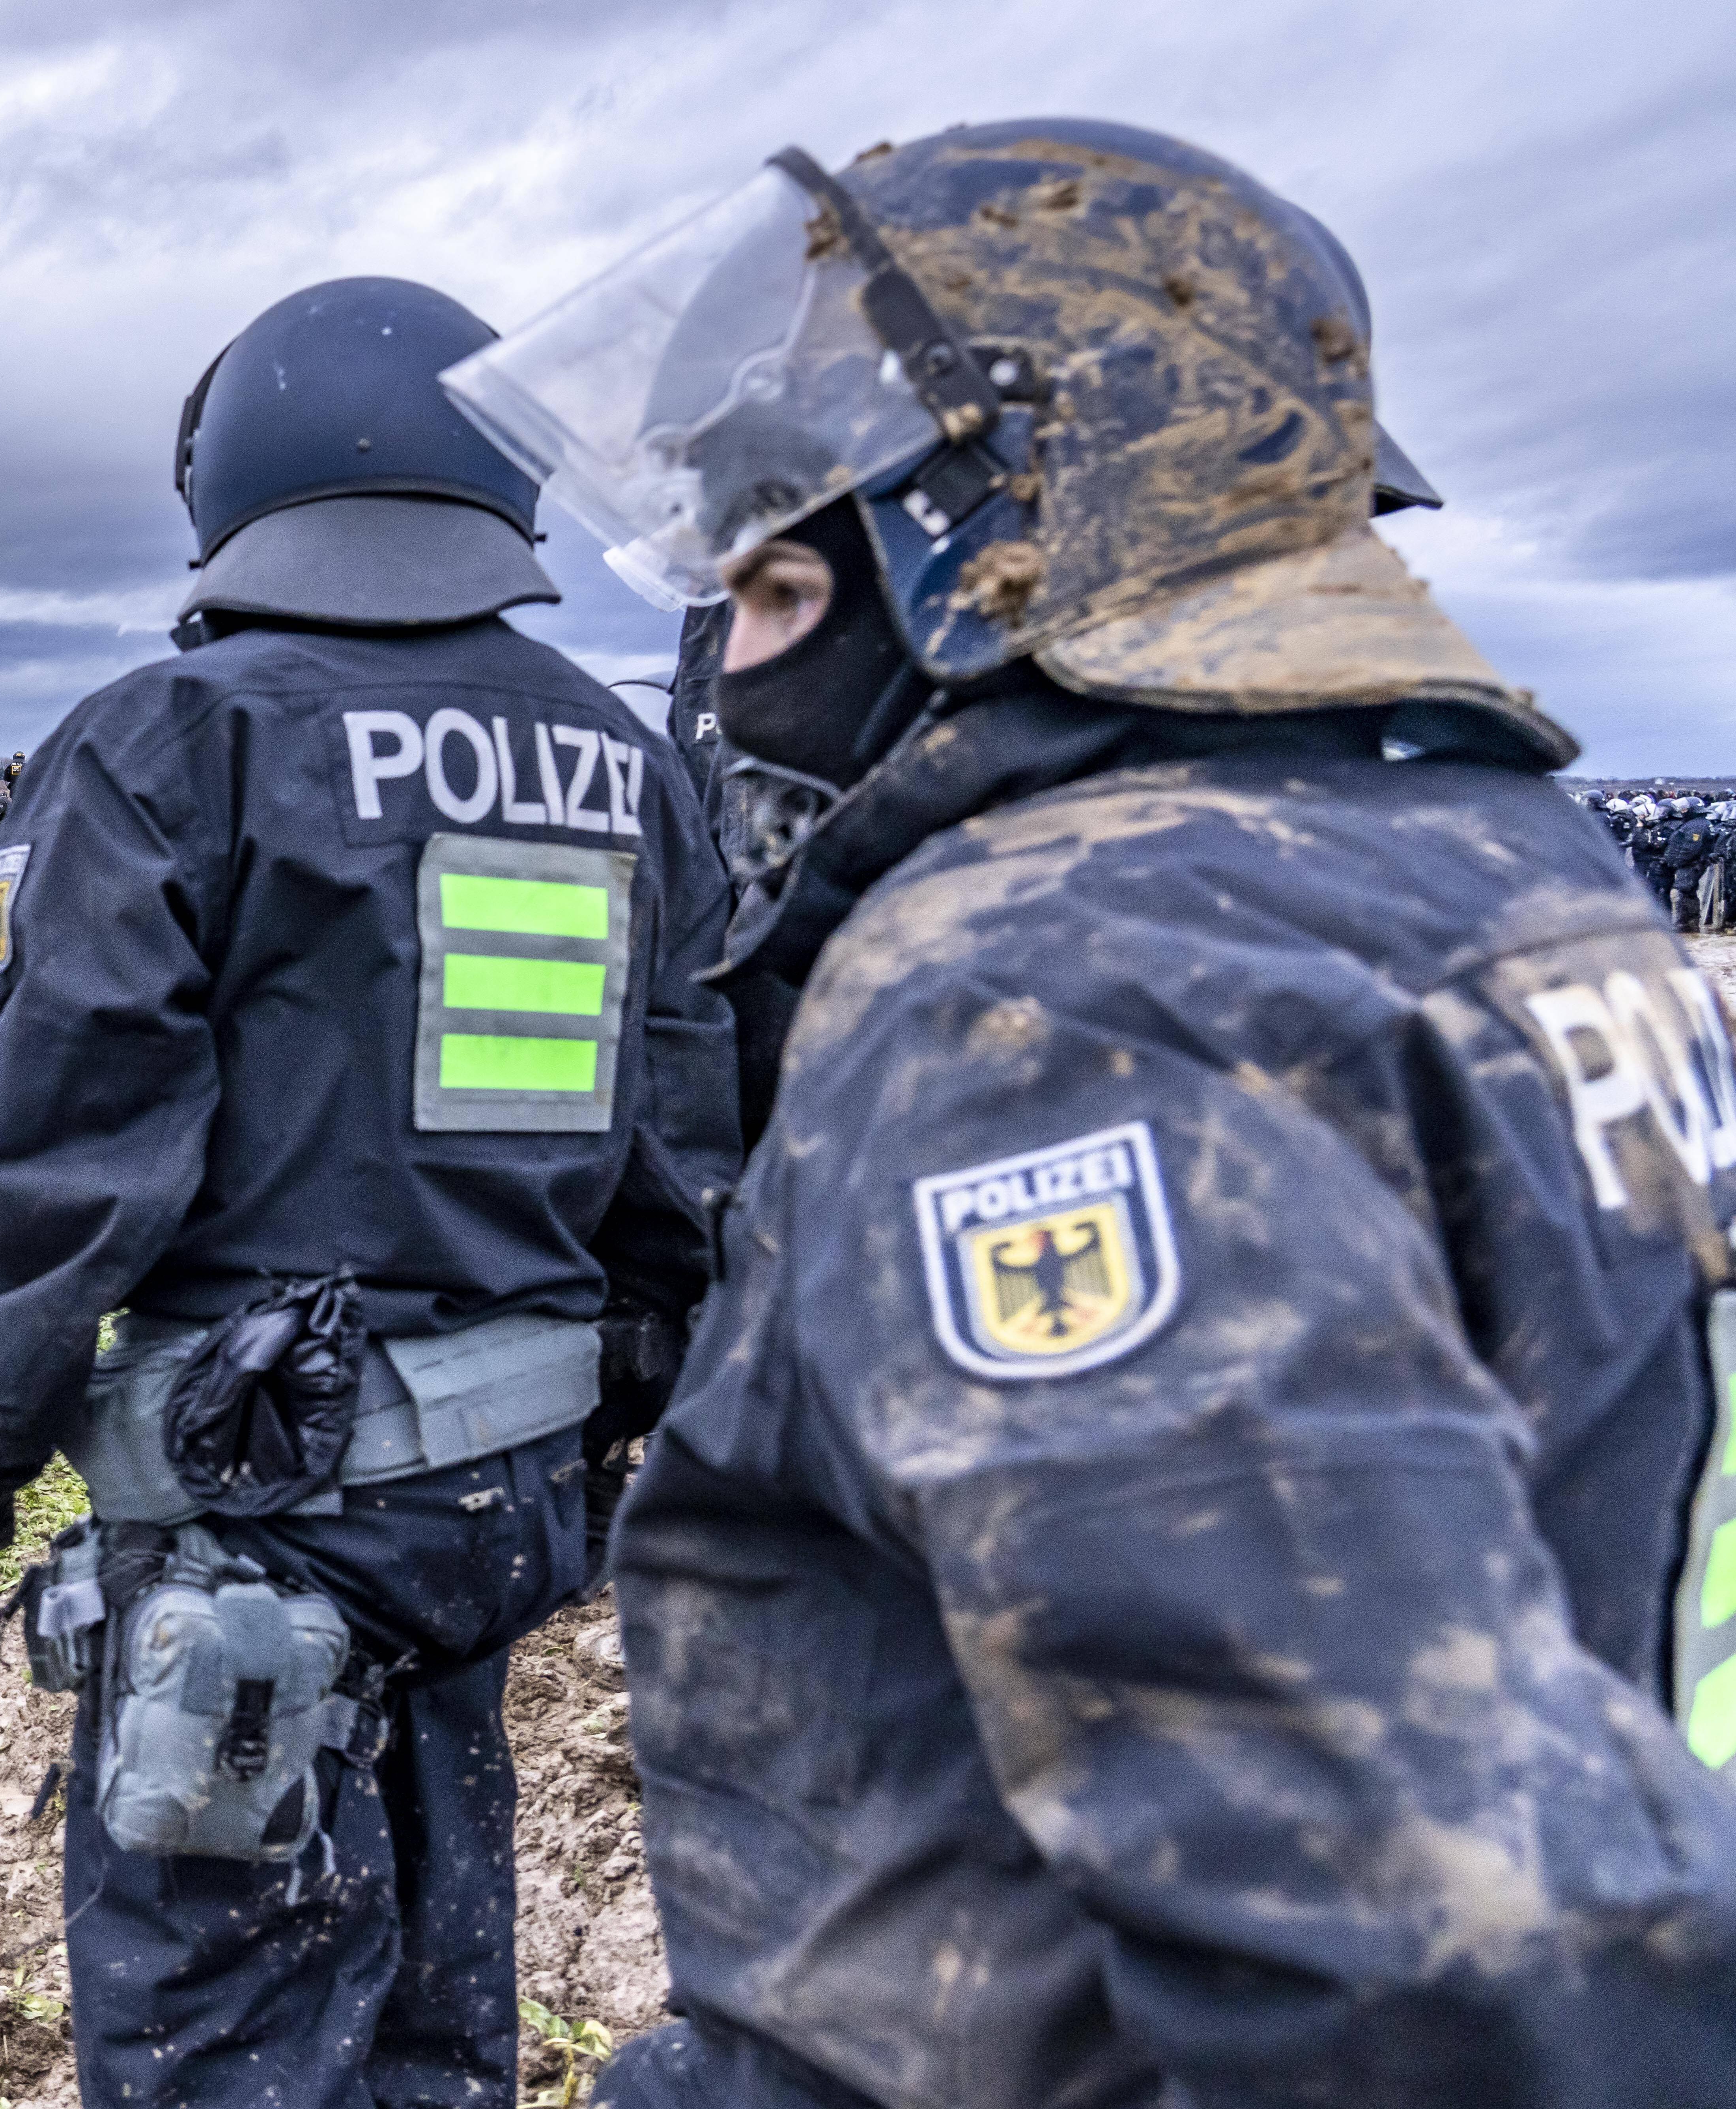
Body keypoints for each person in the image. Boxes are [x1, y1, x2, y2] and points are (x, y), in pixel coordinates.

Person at [425, 123, 1736, 2109]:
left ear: (995, 545)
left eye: (773, 583)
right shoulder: (1517, 867)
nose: (729, 672)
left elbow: (1405, 1922)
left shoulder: (1051, 986)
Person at [0, 275, 737, 2105]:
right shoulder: (626, 763)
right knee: (438, 2008)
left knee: (226, 2040)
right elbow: (678, 1155)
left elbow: (60, 1168)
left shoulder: (171, 734)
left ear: (233, 481)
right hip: (505, 1511)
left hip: (257, 1527)